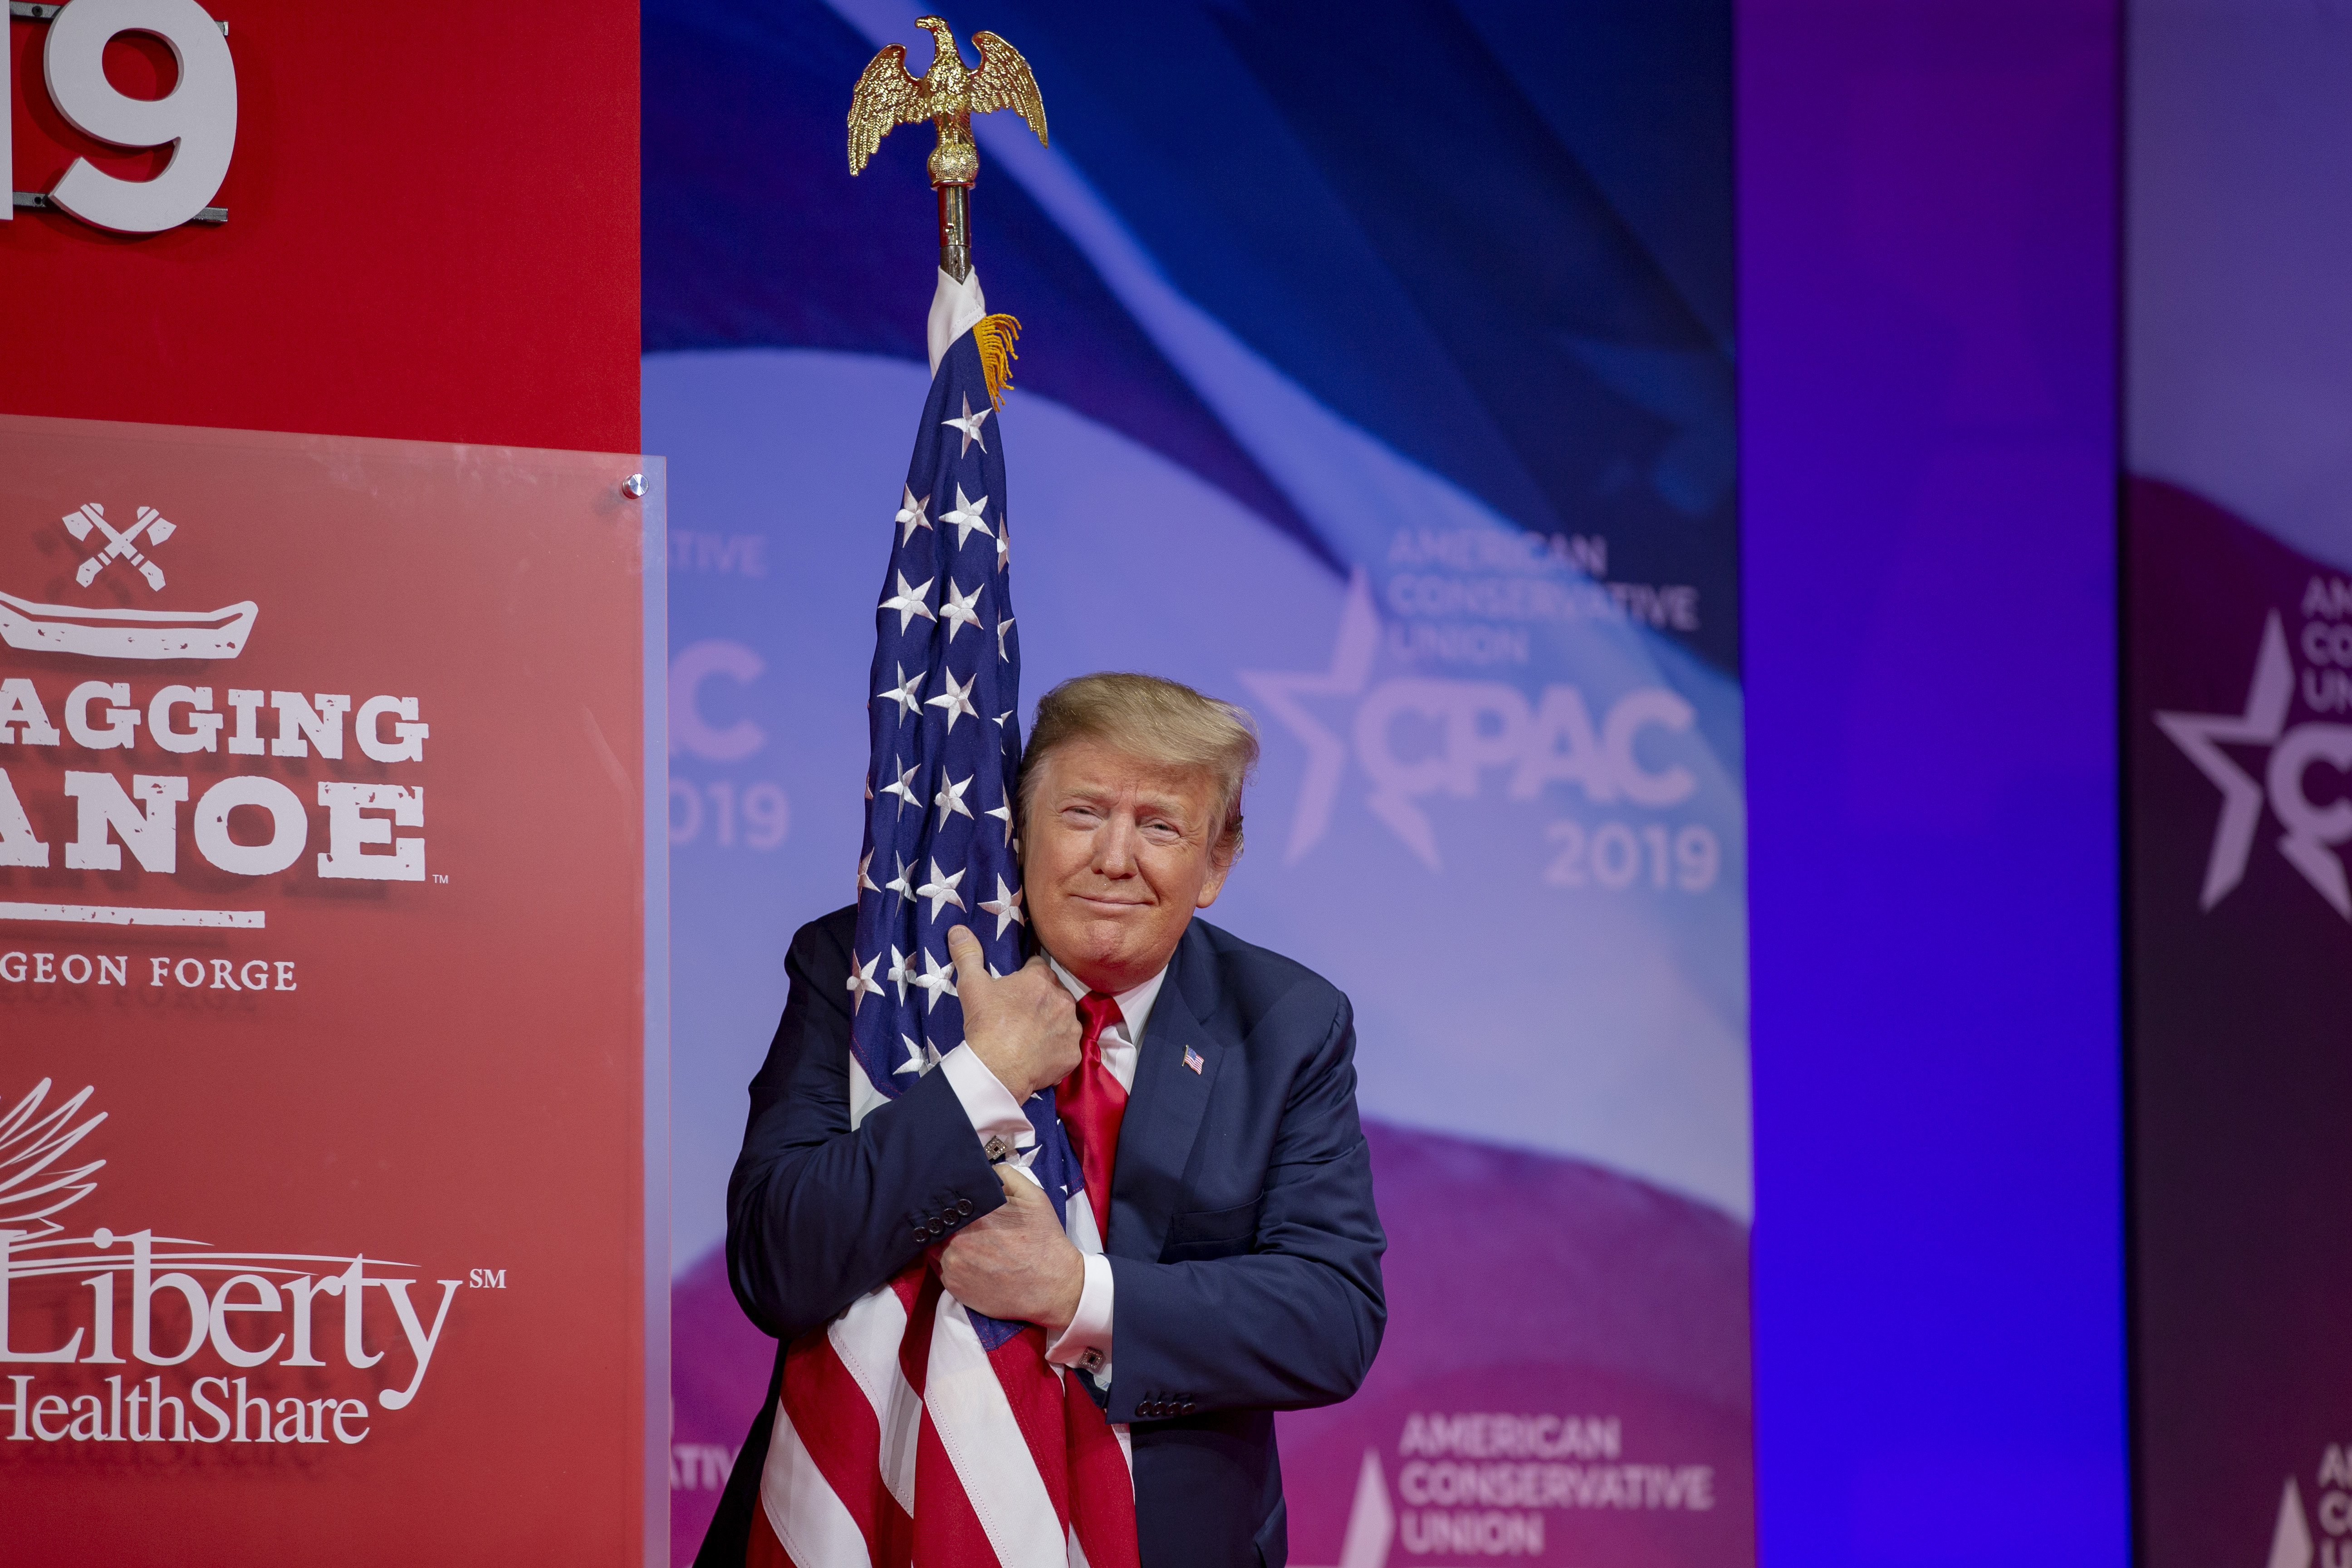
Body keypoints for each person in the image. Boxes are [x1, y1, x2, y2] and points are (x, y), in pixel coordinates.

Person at [698, 672, 1387, 1568]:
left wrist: (1075, 1293)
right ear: (1016, 830)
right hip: (881, 1525)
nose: (1114, 857)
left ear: (1216, 863)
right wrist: (982, 1080)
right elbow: (777, 1262)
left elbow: (1330, 1321)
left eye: (1161, 826)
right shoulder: (873, 978)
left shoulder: (1287, 1023)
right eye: (1083, 813)